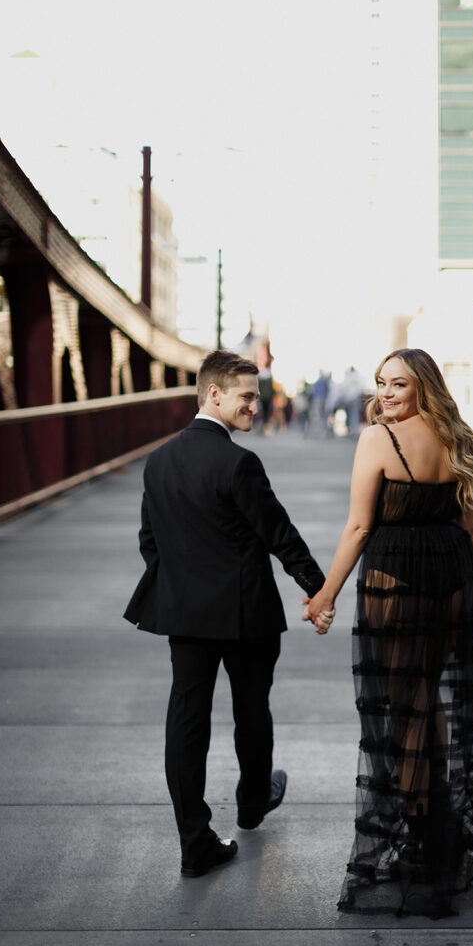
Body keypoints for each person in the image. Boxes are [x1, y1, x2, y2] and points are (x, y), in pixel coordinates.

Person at [303, 348, 473, 918]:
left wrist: (325, 595)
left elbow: (360, 526)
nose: (386, 395)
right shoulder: (458, 438)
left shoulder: (376, 441)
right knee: (428, 697)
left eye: (398, 385)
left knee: (405, 706)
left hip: (398, 583)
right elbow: (471, 530)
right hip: (452, 577)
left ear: (423, 387)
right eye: (382, 384)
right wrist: (470, 586)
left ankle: (420, 837)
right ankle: (436, 821)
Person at [125, 350, 333, 879]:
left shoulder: (160, 460)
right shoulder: (238, 462)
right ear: (213, 394)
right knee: (251, 711)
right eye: (246, 396)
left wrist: (181, 581)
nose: (255, 406)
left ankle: (194, 843)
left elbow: (151, 540)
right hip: (246, 614)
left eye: (256, 396)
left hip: (186, 615)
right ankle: (251, 803)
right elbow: (278, 533)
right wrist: (319, 591)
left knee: (187, 720)